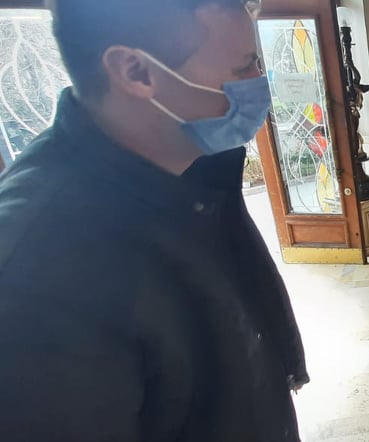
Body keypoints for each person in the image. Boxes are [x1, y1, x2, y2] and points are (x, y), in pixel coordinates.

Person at [0, 1, 309, 440]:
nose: (260, 82)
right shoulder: (34, 276)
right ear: (136, 71)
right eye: (244, 67)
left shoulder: (196, 165)